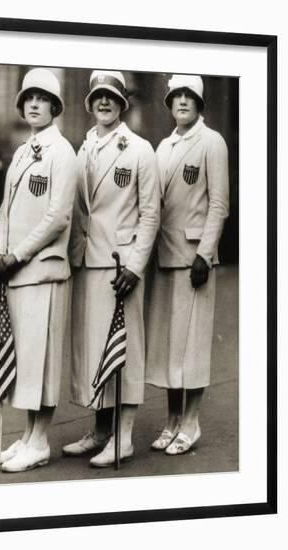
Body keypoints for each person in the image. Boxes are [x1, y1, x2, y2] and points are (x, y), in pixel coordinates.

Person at [63, 70, 160, 467]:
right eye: (98, 96)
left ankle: (124, 437)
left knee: (126, 350)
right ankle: (101, 430)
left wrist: (136, 266)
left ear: (122, 104)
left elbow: (151, 214)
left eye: (112, 97)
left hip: (121, 265)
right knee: (94, 350)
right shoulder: (83, 149)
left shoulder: (139, 149)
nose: (104, 102)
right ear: (90, 103)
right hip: (88, 260)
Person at [0, 68, 77, 472]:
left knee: (41, 358)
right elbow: (6, 209)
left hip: (42, 269)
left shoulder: (62, 152)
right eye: (29, 99)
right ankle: (27, 436)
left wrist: (18, 254)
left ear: (56, 107)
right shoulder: (23, 152)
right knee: (24, 356)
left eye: (43, 99)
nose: (35, 105)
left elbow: (58, 217)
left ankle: (40, 440)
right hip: (17, 270)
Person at [145, 74, 229, 455]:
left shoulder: (212, 142)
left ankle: (191, 423)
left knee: (191, 346)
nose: (181, 101)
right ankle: (172, 420)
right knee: (169, 346)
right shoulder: (163, 146)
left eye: (188, 95)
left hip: (193, 258)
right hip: (163, 257)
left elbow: (219, 204)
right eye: (175, 95)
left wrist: (204, 253)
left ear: (199, 103)